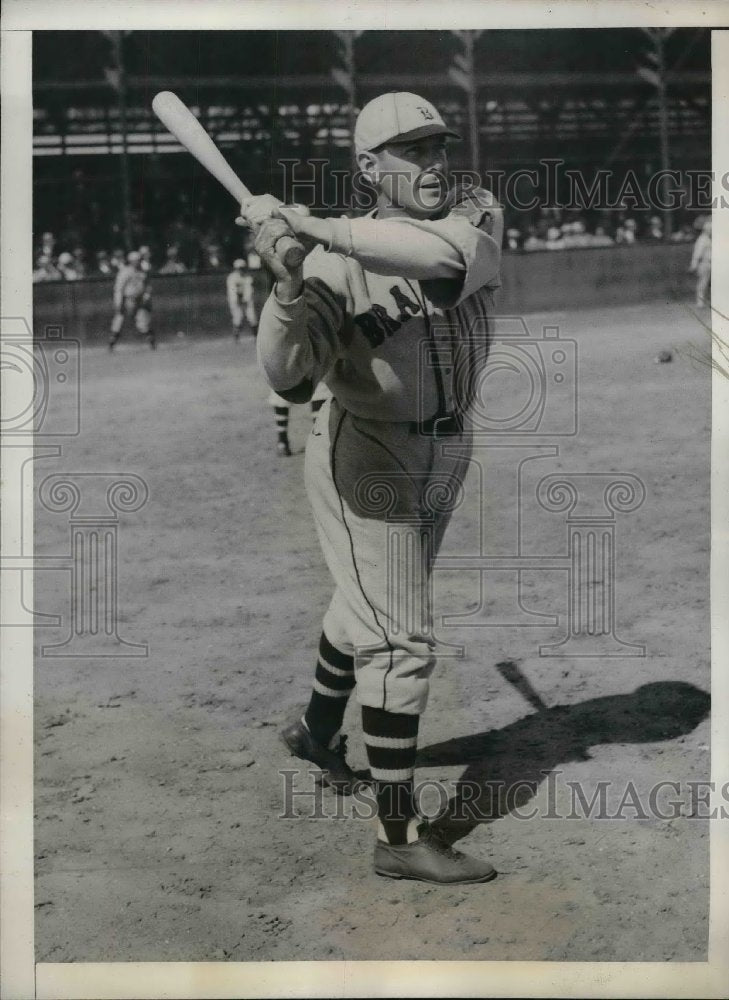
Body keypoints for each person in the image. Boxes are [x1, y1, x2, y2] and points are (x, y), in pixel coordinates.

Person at [242, 91, 503, 884]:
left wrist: (313, 226)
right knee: (399, 637)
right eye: (410, 150)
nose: (432, 163)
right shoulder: (325, 265)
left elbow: (440, 262)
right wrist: (287, 284)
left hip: (448, 444)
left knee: (375, 602)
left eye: (436, 146)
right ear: (368, 166)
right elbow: (285, 377)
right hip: (370, 455)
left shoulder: (476, 210)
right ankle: (397, 840)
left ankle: (319, 731)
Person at [109, 250, 155, 350]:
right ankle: (112, 343)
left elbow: (148, 285)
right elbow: (118, 288)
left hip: (140, 299)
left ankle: (151, 342)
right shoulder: (125, 271)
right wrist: (118, 302)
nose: (138, 262)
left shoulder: (143, 271)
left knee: (143, 320)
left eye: (139, 260)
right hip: (127, 299)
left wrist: (147, 295)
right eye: (136, 260)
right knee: (120, 320)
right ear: (131, 261)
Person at [689, 218, 711, 308]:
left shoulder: (711, 239)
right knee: (703, 282)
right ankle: (700, 301)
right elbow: (697, 253)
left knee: (709, 284)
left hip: (712, 263)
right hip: (704, 263)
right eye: (710, 229)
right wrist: (694, 265)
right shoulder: (702, 240)